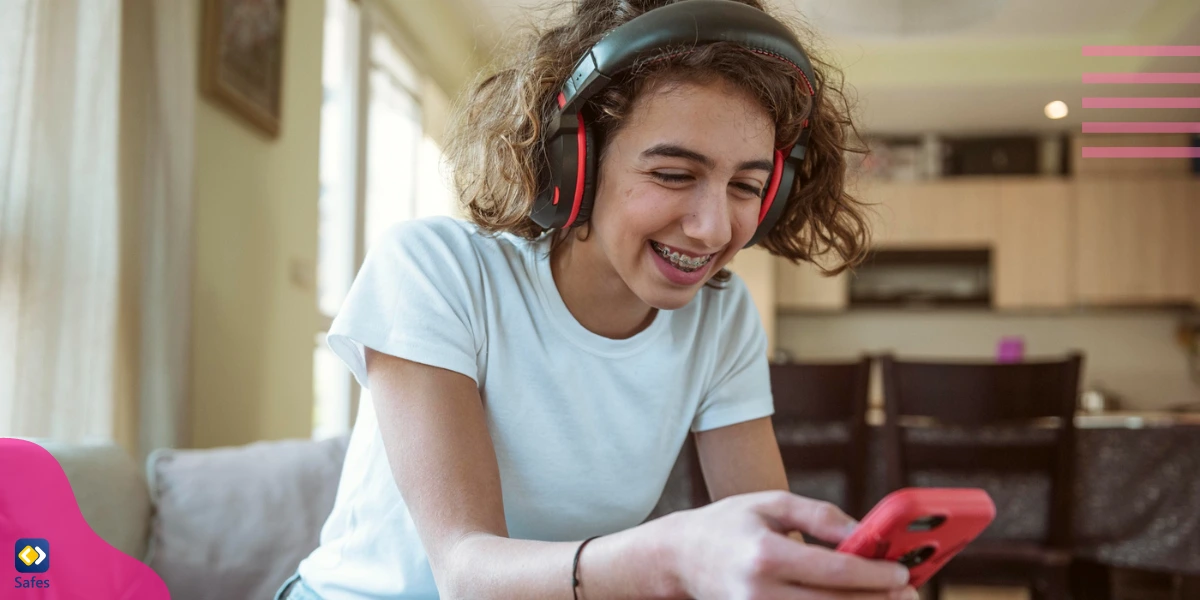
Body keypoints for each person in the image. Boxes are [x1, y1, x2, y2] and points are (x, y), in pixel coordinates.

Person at [277, 0, 914, 598]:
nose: (714, 228)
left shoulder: (722, 318)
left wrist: (821, 580)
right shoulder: (435, 270)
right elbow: (464, 573)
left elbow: (769, 543)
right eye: (672, 174)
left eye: (746, 185)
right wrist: (667, 556)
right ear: (575, 161)